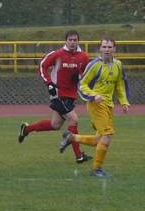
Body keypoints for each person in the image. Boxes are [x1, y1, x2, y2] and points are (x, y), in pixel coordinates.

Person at [59, 36, 130, 177]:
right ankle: (96, 169)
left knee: (100, 139)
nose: (107, 50)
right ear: (100, 49)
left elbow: (120, 85)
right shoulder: (94, 65)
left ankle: (72, 138)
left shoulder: (118, 65)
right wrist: (93, 95)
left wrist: (124, 101)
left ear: (114, 49)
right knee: (107, 135)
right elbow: (82, 84)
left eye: (109, 47)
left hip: (108, 105)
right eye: (104, 47)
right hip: (96, 104)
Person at [18, 30, 91, 163]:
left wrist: (80, 77)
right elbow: (42, 66)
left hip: (71, 95)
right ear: (66, 41)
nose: (73, 42)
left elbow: (85, 74)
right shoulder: (57, 54)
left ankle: (27, 129)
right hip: (58, 94)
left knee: (55, 124)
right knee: (74, 120)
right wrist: (49, 83)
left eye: (75, 40)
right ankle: (79, 155)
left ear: (78, 41)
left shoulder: (84, 57)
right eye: (70, 40)